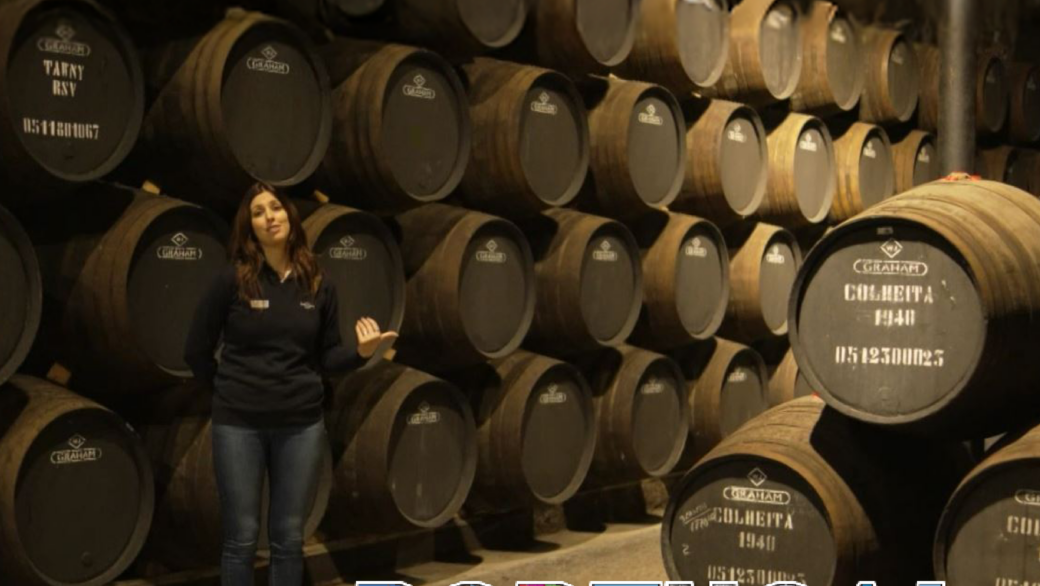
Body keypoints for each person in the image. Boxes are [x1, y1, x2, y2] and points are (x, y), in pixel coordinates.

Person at [183, 181, 397, 586]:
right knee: (241, 539)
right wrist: (229, 391)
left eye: (276, 208)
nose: (269, 217)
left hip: (300, 426)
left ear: (289, 216)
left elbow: (328, 357)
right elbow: (196, 351)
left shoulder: (318, 283)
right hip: (239, 426)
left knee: (288, 538)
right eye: (259, 212)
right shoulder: (232, 280)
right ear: (250, 227)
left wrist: (361, 353)